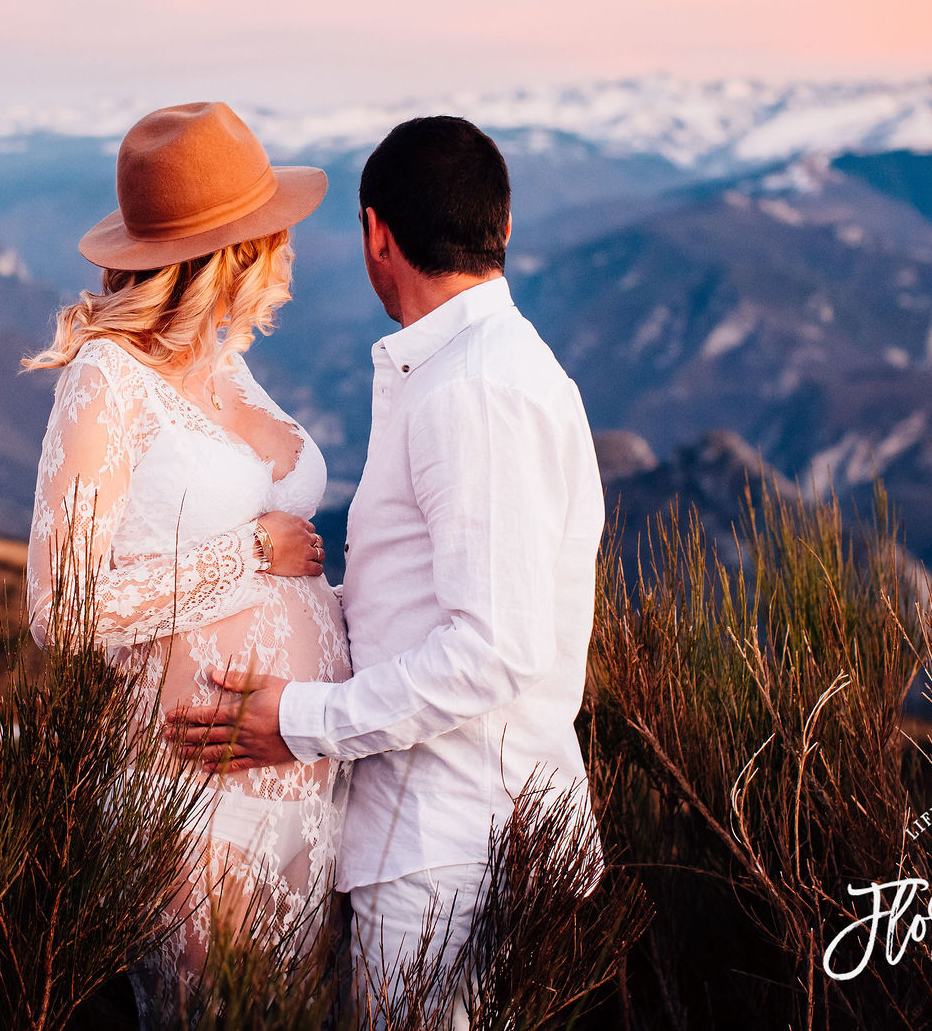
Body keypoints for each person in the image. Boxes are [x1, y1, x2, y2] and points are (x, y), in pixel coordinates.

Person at [166, 116, 606, 1026]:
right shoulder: (473, 370)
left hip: (449, 849)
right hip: (450, 836)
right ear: (502, 228)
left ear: (377, 234)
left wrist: (296, 718)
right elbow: (428, 603)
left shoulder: (474, 390)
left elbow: (493, 649)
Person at [22, 100, 351, 1018]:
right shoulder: (107, 377)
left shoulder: (226, 362)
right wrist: (249, 551)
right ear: (231, 255)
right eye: (274, 237)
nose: (289, 258)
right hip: (194, 794)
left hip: (309, 781)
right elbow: (64, 609)